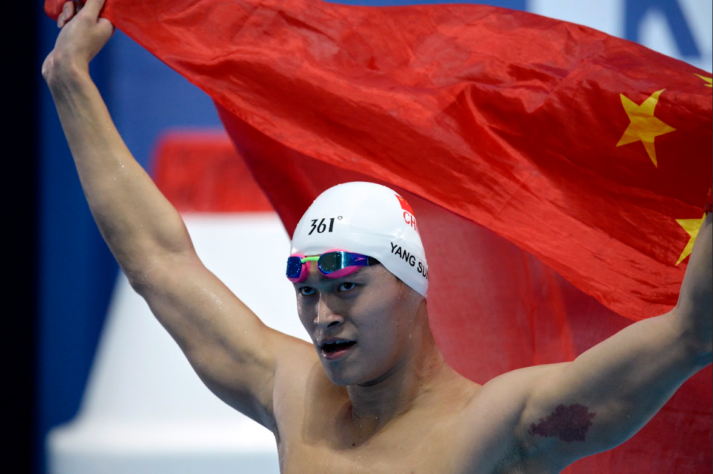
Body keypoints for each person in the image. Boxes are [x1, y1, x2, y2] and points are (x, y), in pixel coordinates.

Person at [44, 0, 711, 472]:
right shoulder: (293, 395)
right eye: (306, 291)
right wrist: (70, 83)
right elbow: (159, 263)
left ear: (413, 287)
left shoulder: (497, 429)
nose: (321, 315)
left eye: (346, 287)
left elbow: (689, 332)